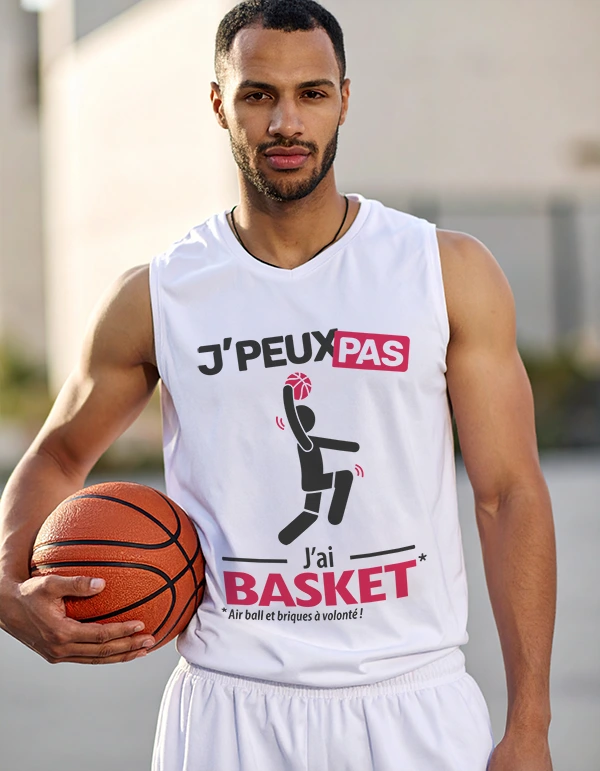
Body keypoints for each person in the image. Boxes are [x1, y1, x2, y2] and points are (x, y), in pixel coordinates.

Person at [0, 1, 556, 769]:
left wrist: (530, 721)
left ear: (345, 100)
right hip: (229, 709)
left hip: (412, 703)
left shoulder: (443, 271)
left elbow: (509, 493)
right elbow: (60, 452)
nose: (286, 122)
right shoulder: (160, 295)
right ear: (218, 103)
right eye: (258, 94)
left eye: (312, 94)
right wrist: (7, 585)